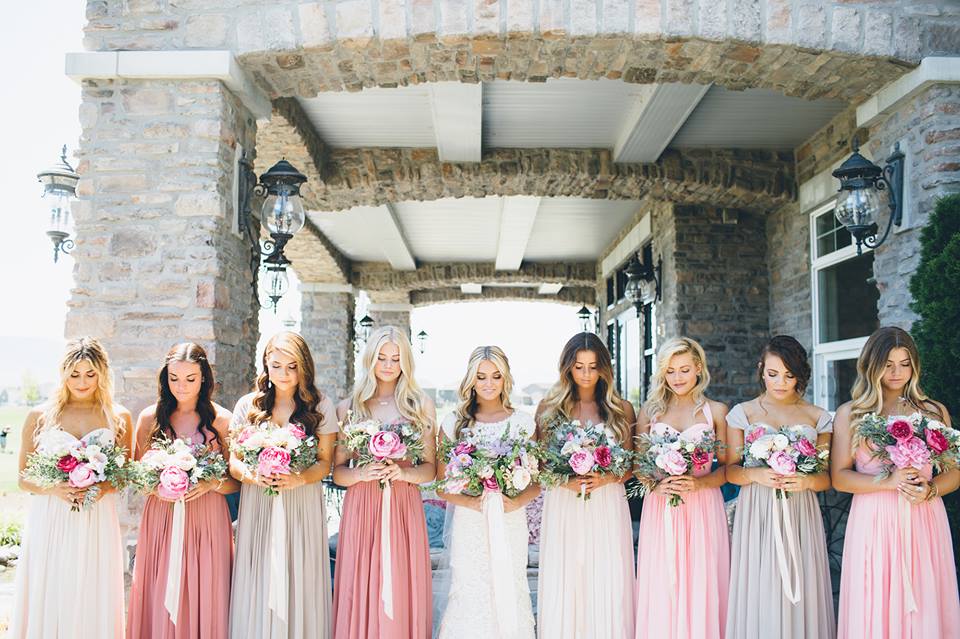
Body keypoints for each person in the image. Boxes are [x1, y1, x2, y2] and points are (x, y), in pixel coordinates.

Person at [832, 326, 960, 638]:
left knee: (924, 599)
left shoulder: (933, 411)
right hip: (873, 521)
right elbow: (839, 478)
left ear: (914, 367)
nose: (896, 372)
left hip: (924, 518)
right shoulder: (851, 414)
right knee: (875, 597)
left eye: (904, 364)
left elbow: (954, 473)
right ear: (871, 365)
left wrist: (930, 490)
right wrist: (889, 482)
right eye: (888, 364)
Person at [12, 337, 133, 638]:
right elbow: (23, 477)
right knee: (52, 585)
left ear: (102, 374)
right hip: (51, 516)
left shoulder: (118, 417)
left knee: (92, 585)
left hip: (96, 519)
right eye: (75, 374)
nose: (82, 381)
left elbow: (125, 474)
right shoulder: (39, 416)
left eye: (90, 374)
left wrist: (99, 487)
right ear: (63, 373)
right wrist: (56, 489)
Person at [228, 332, 339, 638]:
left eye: (292, 367)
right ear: (266, 364)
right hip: (259, 503)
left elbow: (324, 463)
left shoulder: (321, 406)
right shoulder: (247, 406)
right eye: (276, 365)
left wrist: (298, 478)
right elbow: (234, 462)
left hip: (300, 502)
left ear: (304, 367)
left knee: (298, 574)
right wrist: (254, 476)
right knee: (259, 574)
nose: (284, 374)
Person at [725, 336, 835, 638]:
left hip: (800, 509)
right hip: (757, 509)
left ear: (800, 375)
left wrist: (807, 480)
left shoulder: (818, 417)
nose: (781, 382)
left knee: (801, 582)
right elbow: (730, 471)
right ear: (762, 370)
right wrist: (755, 476)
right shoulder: (742, 413)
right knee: (761, 582)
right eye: (773, 374)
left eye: (789, 375)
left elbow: (826, 477)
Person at [127, 343, 239, 639]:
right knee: (162, 586)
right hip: (162, 517)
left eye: (190, 378)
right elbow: (138, 475)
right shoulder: (149, 419)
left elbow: (235, 482)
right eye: (174, 378)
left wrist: (208, 483)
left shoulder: (223, 420)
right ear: (165, 377)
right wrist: (157, 484)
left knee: (206, 589)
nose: (181, 386)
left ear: (204, 378)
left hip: (208, 519)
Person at [332, 326, 437, 639]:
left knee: (401, 579)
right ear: (370, 359)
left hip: (403, 507)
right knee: (360, 580)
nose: (389, 365)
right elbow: (337, 471)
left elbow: (430, 469)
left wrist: (403, 473)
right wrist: (361, 474)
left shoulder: (420, 406)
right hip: (362, 506)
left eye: (396, 358)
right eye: (382, 357)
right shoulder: (349, 407)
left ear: (406, 362)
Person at [536, 332, 636, 639]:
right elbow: (538, 466)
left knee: (607, 575)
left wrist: (606, 477)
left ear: (604, 368)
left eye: (593, 367)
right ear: (567, 367)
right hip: (564, 503)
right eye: (579, 366)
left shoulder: (622, 408)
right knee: (567, 576)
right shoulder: (548, 407)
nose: (586, 374)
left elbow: (632, 465)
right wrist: (564, 481)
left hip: (606, 502)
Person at [435, 346, 539, 639]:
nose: (489, 383)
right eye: (481, 377)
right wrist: (471, 500)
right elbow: (441, 485)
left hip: (509, 519)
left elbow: (537, 481)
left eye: (496, 376)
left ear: (506, 378)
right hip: (470, 522)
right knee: (470, 590)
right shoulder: (453, 423)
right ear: (471, 380)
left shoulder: (523, 423)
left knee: (510, 585)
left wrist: (515, 499)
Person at [634, 336, 729, 639]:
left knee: (703, 578)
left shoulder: (716, 411)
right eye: (670, 371)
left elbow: (729, 467)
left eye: (684, 370)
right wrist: (655, 485)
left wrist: (700, 482)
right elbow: (638, 465)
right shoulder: (651, 411)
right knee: (663, 579)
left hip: (703, 506)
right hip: (662, 505)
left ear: (699, 368)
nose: (677, 378)